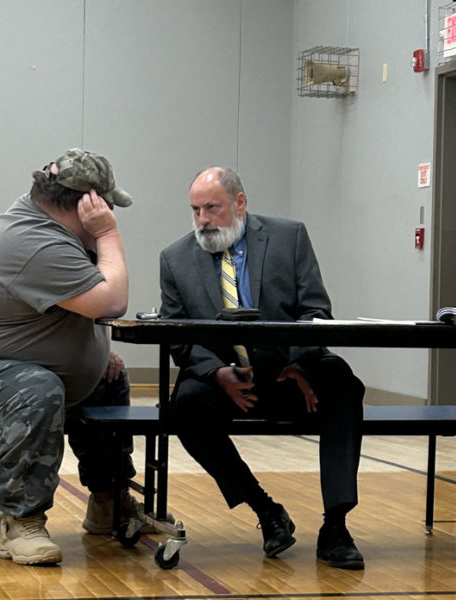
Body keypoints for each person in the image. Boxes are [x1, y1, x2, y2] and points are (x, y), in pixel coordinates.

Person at [0, 148, 141, 566]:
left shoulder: (52, 228)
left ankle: (109, 502)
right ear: (88, 204)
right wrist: (108, 234)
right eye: (106, 203)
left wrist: (97, 352)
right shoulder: (35, 242)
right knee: (37, 390)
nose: (110, 211)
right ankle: (20, 521)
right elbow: (113, 301)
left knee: (108, 378)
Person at [159, 167, 365, 570]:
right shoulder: (175, 258)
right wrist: (218, 374)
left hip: (289, 368)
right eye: (195, 210)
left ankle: (336, 526)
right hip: (224, 376)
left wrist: (298, 363)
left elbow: (316, 312)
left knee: (342, 384)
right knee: (184, 406)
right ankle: (266, 510)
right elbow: (178, 336)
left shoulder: (289, 237)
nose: (202, 220)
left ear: (240, 202)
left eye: (212, 208)